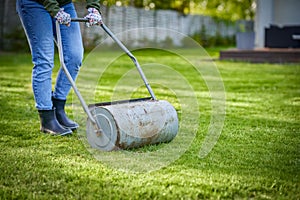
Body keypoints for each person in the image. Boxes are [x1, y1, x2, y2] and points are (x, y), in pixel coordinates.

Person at [16, 0, 102, 136]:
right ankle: (47, 118)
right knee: (44, 60)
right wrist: (54, 10)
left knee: (75, 56)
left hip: (64, 3)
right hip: (34, 3)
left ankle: (58, 109)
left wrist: (93, 7)